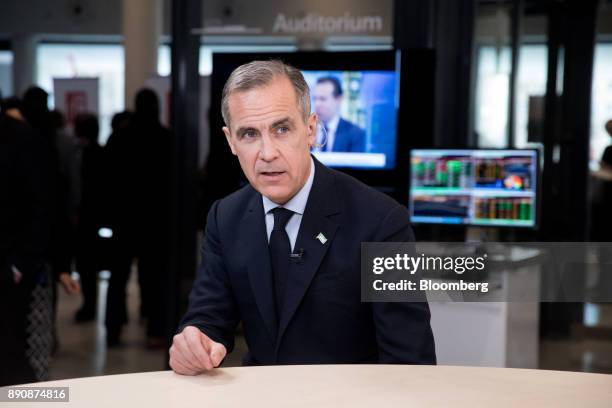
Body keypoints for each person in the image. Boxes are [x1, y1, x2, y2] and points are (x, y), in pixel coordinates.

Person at [170, 60, 435, 374]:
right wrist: (194, 341)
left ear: (310, 130)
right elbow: (208, 317)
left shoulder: (382, 221)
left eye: (282, 129)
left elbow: (410, 362)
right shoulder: (225, 216)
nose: (267, 153)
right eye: (250, 134)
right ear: (231, 141)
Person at [104, 91, 172, 347]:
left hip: (124, 218)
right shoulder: (165, 138)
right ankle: (155, 330)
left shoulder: (119, 137)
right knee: (154, 277)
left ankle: (113, 328)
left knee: (117, 275)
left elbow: (107, 180)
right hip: (155, 220)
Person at [73, 113, 106, 322]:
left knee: (85, 264)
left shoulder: (80, 155)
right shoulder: (102, 153)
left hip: (84, 217)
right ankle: (91, 305)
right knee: (91, 263)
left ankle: (89, 306)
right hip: (97, 216)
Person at [312, 76, 366, 153]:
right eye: (315, 99)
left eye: (322, 99)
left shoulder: (356, 134)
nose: (317, 104)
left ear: (339, 100)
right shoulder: (305, 131)